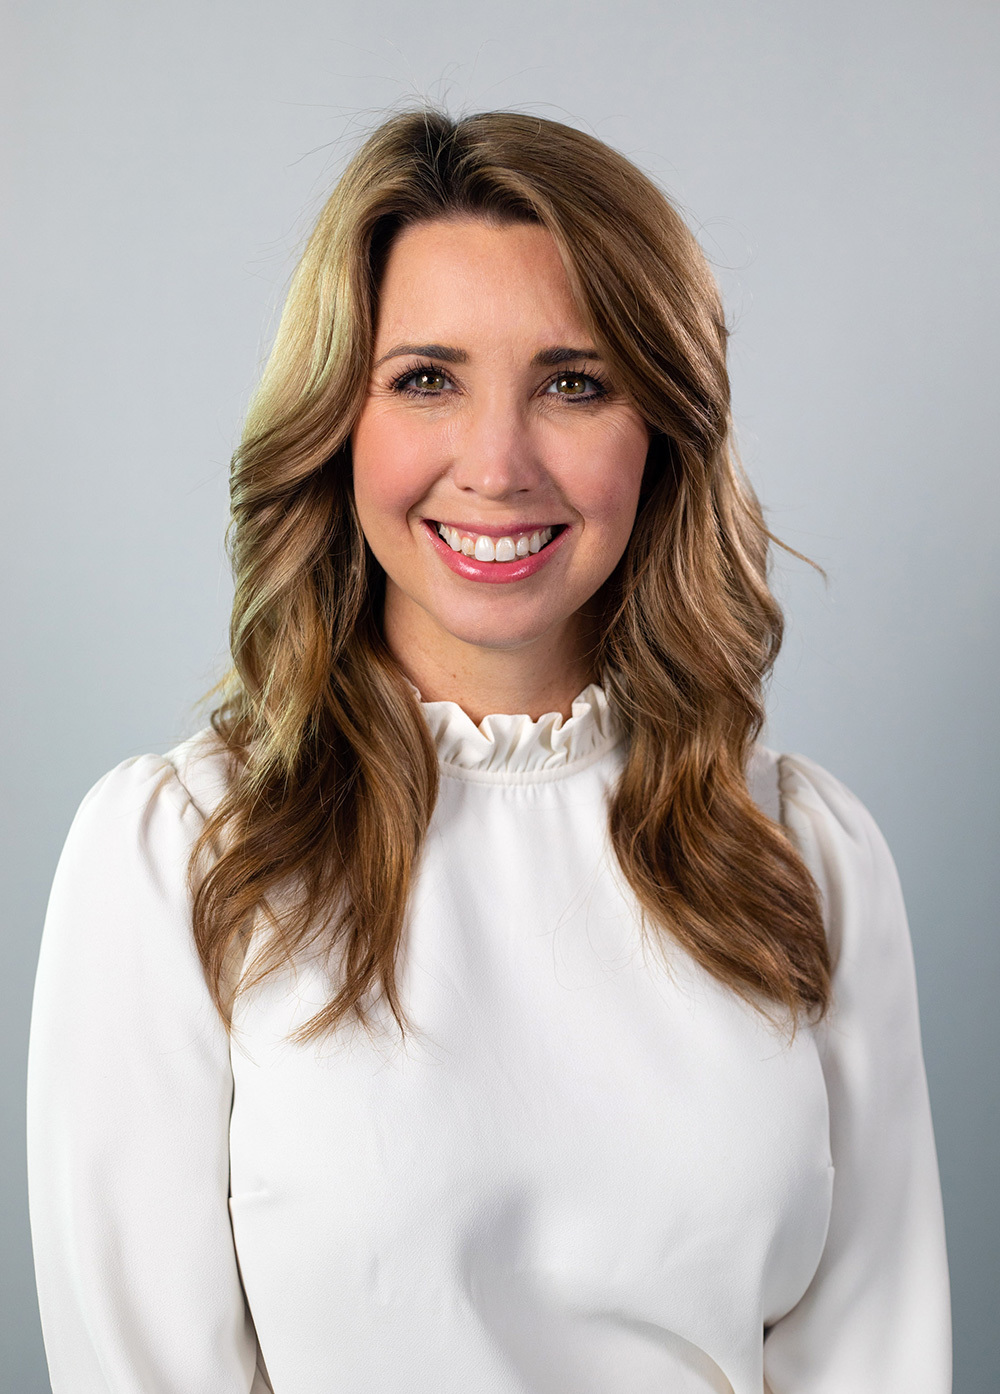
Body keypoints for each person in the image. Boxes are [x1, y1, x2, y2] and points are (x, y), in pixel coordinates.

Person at [26, 108, 951, 1393]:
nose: (499, 463)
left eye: (573, 381)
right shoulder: (182, 858)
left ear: (663, 431)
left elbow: (877, 1355)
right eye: (426, 379)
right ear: (339, 422)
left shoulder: (803, 858)